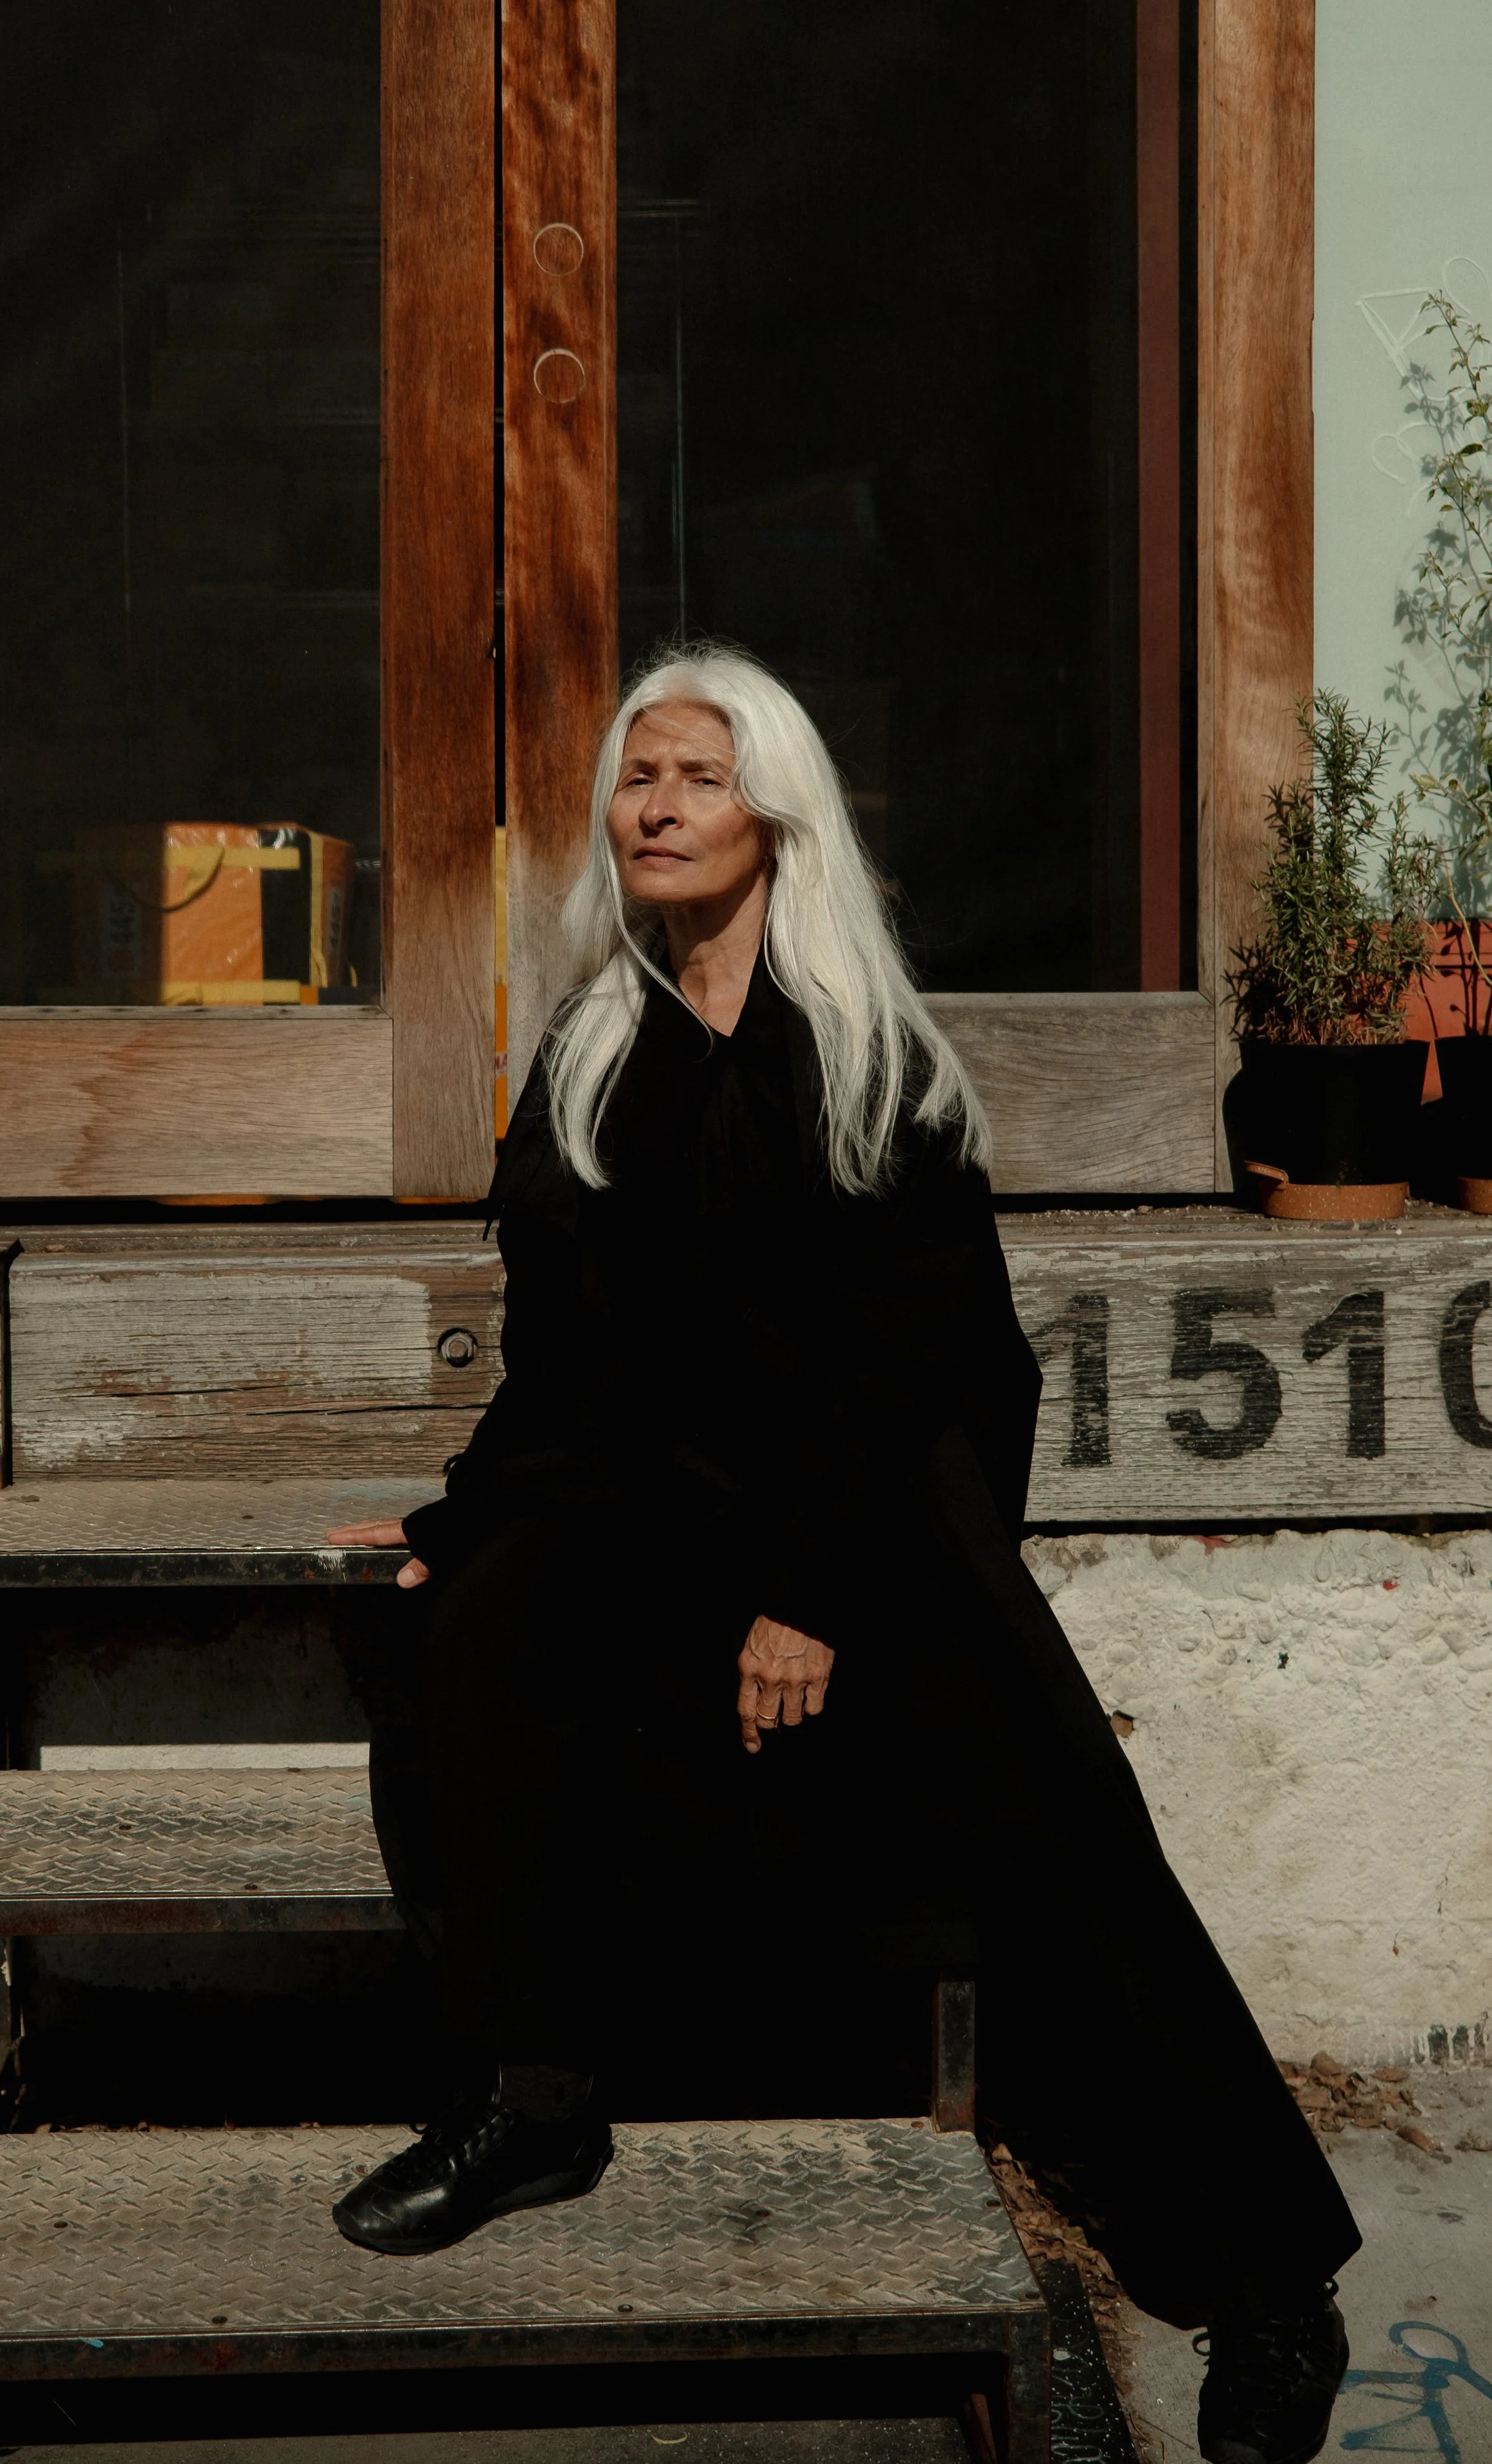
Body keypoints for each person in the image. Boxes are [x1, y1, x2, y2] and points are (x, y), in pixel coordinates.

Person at [327, 647, 1359, 2464]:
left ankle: (1267, 2276)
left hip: (880, 1509)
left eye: (695, 777)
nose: (652, 805)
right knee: (467, 1641)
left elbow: (924, 1368)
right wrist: (455, 1529)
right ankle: (531, 2091)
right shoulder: (588, 1057)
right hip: (654, 1498)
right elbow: (558, 1363)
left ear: (774, 815)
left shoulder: (870, 1059)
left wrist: (806, 1594)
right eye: (634, 778)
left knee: (1061, 1836)